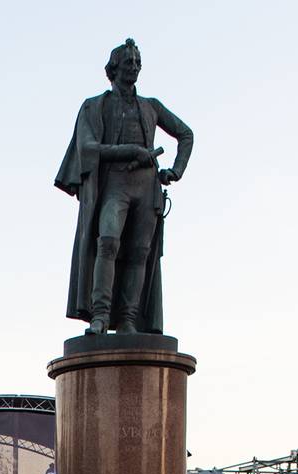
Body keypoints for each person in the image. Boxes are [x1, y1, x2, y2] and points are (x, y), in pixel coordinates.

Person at [56, 38, 195, 336]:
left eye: (137, 62)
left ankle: (129, 319)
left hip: (147, 188)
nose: (134, 67)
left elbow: (186, 134)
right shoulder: (96, 105)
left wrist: (176, 170)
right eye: (128, 62)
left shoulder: (151, 107)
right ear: (114, 68)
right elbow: (88, 147)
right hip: (115, 184)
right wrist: (130, 152)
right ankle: (101, 315)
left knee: (139, 252)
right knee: (107, 241)